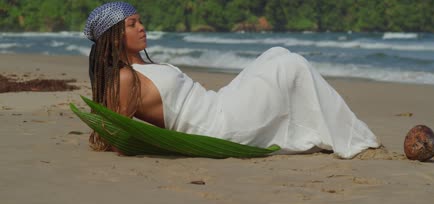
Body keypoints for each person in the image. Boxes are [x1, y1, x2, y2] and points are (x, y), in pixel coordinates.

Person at [84, 2, 380, 159]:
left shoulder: (140, 67)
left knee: (276, 53)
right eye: (132, 25)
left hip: (219, 103)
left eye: (140, 21)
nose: (142, 28)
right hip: (218, 126)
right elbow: (118, 135)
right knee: (292, 65)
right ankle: (351, 139)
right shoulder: (125, 77)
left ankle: (332, 132)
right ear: (113, 37)